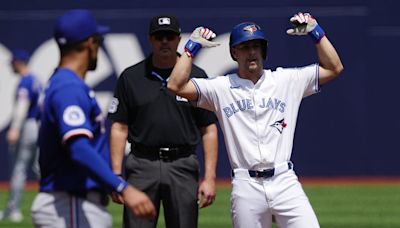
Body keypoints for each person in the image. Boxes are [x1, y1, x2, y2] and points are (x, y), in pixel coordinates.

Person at [168, 12, 344, 228]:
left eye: (256, 46)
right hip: (246, 184)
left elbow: (334, 68)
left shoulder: (286, 80)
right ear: (234, 53)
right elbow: (175, 85)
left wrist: (317, 33)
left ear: (264, 50)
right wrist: (190, 49)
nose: (251, 52)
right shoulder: (220, 88)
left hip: (284, 179)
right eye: (244, 47)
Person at [30, 9, 156, 228]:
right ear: (90, 43)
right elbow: (78, 147)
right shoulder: (68, 87)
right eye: (99, 40)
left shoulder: (62, 83)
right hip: (70, 203)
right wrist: (121, 187)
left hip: (73, 203)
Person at [108, 15, 218, 228]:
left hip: (182, 164)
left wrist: (210, 177)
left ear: (178, 39)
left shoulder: (196, 76)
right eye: (159, 37)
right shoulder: (131, 77)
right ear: (150, 40)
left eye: (169, 36)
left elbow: (209, 129)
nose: (164, 41)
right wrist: (115, 174)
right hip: (141, 164)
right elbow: (119, 128)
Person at [0, 49, 41, 222]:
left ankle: (13, 210)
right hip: (38, 126)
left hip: (27, 126)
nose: (11, 66)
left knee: (19, 169)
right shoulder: (36, 80)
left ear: (18, 62)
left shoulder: (25, 82)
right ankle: (56, 200)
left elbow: (22, 106)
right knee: (40, 168)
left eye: (12, 63)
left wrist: (15, 129)